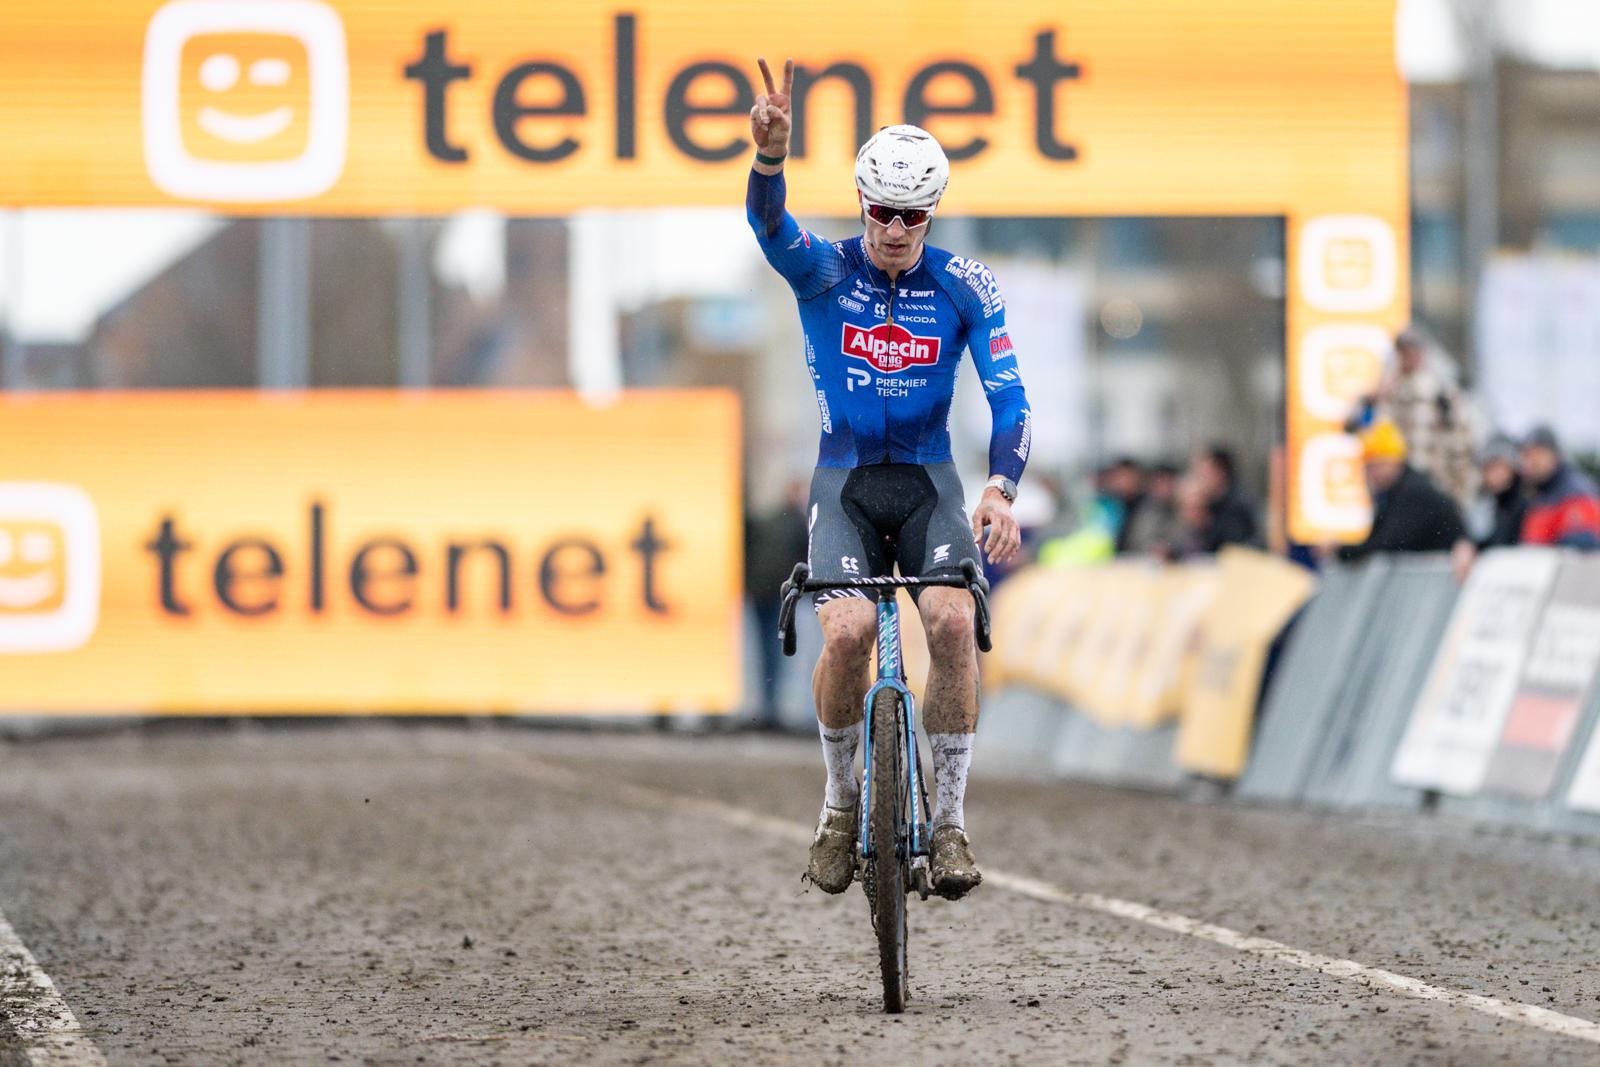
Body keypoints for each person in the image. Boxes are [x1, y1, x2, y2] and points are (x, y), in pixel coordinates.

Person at [747, 59, 1029, 899]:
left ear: (931, 212)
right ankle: (840, 805)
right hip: (843, 484)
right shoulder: (825, 270)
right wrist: (770, 158)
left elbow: (1010, 398)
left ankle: (947, 823)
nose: (896, 229)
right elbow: (769, 226)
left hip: (929, 482)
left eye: (913, 216)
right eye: (882, 212)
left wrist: (1000, 489)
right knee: (843, 637)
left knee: (947, 623)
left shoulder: (965, 284)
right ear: (862, 201)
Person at [1366, 327, 1477, 507]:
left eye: (1412, 351)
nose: (1408, 358)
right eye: (1403, 352)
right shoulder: (1386, 390)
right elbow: (1356, 428)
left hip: (1434, 484)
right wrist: (1373, 400)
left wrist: (1458, 489)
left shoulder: (1441, 390)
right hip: (1395, 489)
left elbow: (1461, 443)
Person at [1336, 420, 1464, 563]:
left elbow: (1389, 543)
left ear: (1395, 461)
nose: (1373, 474)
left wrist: (1340, 550)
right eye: (1368, 467)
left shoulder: (1413, 492)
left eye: (1378, 465)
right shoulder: (1397, 490)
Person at [744, 478, 811, 729]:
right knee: (780, 652)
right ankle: (774, 708)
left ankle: (768, 707)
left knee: (767, 652)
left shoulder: (769, 520)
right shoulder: (797, 524)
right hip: (780, 597)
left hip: (762, 593)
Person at [1518, 426, 1600, 550]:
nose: (1532, 462)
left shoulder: (1575, 492)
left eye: (1539, 453)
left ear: (1555, 455)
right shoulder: (1537, 495)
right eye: (1527, 455)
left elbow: (1585, 546)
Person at [1192, 445, 1261, 552]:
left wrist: (1206, 524)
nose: (1201, 478)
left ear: (1220, 472)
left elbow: (1233, 545)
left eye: (1205, 473)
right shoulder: (1211, 501)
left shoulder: (1238, 503)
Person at [1121, 462, 1182, 559]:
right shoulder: (1143, 509)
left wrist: (1171, 549)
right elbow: (1135, 540)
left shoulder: (1184, 507)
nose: (1165, 488)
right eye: (1161, 482)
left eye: (1169, 482)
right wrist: (1153, 549)